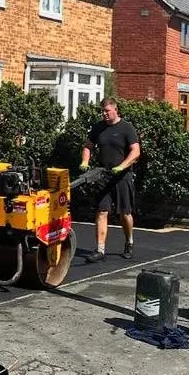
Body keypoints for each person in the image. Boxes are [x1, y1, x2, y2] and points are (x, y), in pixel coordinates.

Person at [80, 98, 141, 262]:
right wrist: (85, 161)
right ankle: (100, 249)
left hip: (122, 176)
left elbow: (135, 152)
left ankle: (129, 241)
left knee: (125, 214)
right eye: (103, 111)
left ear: (115, 110)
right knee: (101, 211)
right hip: (103, 175)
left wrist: (122, 166)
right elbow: (88, 146)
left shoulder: (126, 128)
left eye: (107, 111)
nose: (104, 114)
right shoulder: (98, 127)